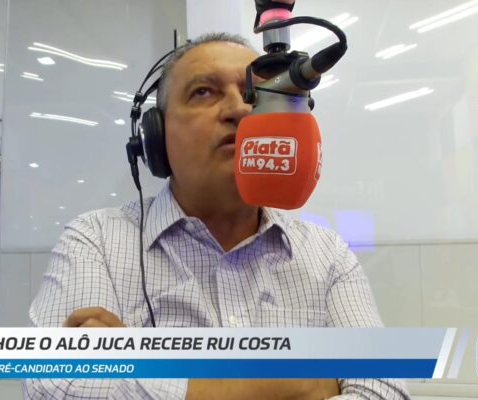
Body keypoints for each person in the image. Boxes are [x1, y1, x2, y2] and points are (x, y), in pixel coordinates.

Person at [23, 30, 410, 400]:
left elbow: (384, 389)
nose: (240, 109)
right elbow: (57, 385)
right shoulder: (97, 241)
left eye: (254, 94)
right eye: (203, 92)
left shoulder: (326, 255)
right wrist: (297, 387)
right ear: (154, 136)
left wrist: (140, 373)